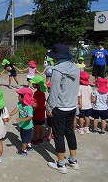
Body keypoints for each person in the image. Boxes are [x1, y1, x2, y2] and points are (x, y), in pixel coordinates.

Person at [46, 44, 80, 174]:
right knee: (70, 132)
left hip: (60, 107)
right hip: (72, 106)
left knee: (58, 134)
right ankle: (73, 160)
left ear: (57, 56)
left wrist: (50, 107)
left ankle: (61, 164)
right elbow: (76, 88)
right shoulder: (75, 67)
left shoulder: (58, 69)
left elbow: (54, 91)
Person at [9, 88, 35, 156]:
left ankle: (24, 151)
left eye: (19, 96)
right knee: (27, 137)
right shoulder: (19, 104)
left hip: (27, 126)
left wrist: (22, 120)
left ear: (24, 97)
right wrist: (10, 114)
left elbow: (30, 117)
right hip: (22, 125)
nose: (18, 97)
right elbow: (16, 109)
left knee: (24, 139)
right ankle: (29, 146)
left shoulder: (29, 107)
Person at [29, 76, 47, 146]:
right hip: (42, 113)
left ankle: (35, 140)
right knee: (41, 126)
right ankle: (40, 139)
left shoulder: (36, 93)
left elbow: (35, 104)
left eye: (34, 84)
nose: (32, 85)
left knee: (36, 127)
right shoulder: (43, 93)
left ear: (38, 85)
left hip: (37, 113)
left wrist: (32, 110)